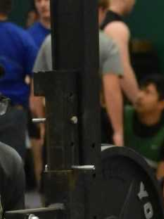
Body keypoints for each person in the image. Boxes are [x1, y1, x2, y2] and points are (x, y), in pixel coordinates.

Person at [31, 0, 125, 147]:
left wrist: (43, 126)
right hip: (93, 124)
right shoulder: (107, 44)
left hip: (56, 121)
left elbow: (36, 90)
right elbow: (111, 91)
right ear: (99, 11)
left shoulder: (50, 41)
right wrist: (118, 132)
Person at [0, 0, 39, 164]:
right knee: (12, 171)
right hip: (13, 111)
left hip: (13, 112)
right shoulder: (23, 37)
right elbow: (36, 77)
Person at [125, 73, 164, 175]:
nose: (140, 96)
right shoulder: (122, 116)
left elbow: (161, 180)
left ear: (162, 103)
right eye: (140, 90)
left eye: (147, 92)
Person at [101, 0, 140, 103]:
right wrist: (138, 102)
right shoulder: (116, 27)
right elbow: (122, 69)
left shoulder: (102, 23)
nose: (134, 2)